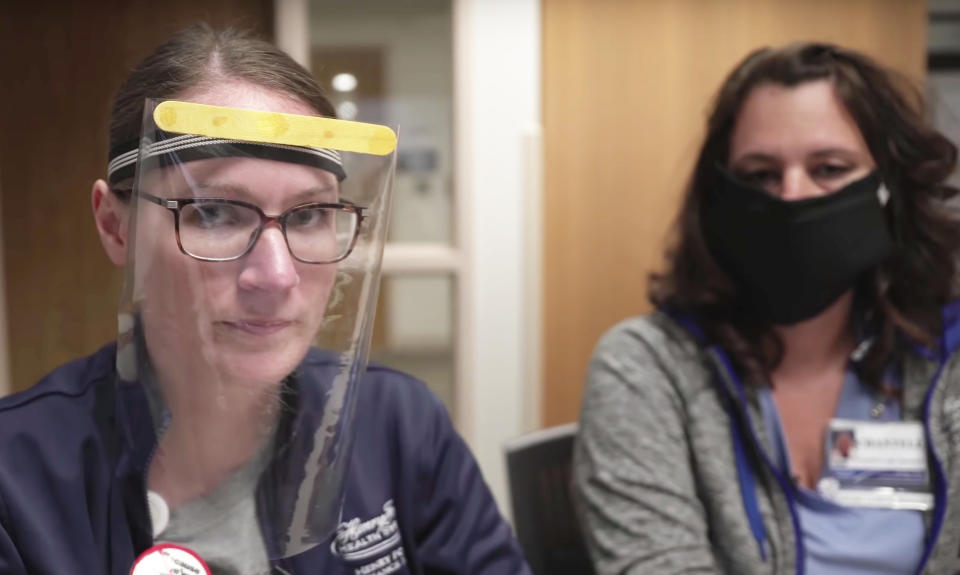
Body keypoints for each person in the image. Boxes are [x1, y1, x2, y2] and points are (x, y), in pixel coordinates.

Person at [0, 24, 531, 575]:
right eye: (212, 213)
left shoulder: (399, 427)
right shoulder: (17, 485)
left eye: (307, 216)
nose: (276, 276)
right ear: (115, 227)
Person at [572, 42, 960, 575]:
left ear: (889, 189)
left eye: (829, 167)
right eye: (759, 175)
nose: (792, 196)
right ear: (720, 195)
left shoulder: (947, 363)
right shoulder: (648, 367)